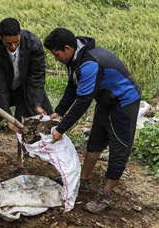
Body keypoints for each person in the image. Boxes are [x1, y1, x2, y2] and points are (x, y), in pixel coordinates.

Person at [43, 28, 141, 214]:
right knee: (95, 142)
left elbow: (83, 102)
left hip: (124, 102)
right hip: (106, 100)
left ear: (67, 48)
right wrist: (59, 112)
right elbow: (73, 86)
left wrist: (61, 129)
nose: (55, 59)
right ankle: (83, 181)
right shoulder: (75, 58)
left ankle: (106, 195)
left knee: (119, 148)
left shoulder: (90, 63)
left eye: (56, 55)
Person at [0, 18, 53, 174]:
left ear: (20, 33)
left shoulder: (33, 43)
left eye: (16, 42)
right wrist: (7, 116)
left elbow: (37, 76)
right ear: (0, 37)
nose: (13, 46)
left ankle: (20, 161)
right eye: (8, 43)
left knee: (23, 119)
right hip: (0, 84)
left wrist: (36, 102)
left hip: (24, 86)